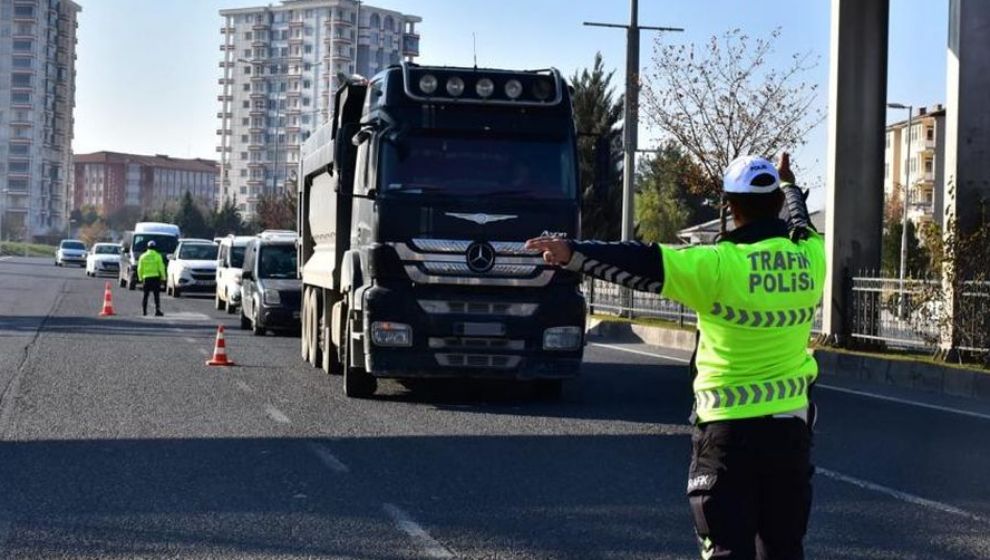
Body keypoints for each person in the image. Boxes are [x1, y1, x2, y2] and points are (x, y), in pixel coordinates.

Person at [526, 153, 825, 560]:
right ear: (774, 201)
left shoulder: (717, 265)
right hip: (790, 436)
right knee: (783, 550)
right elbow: (802, 222)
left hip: (728, 436)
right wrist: (790, 186)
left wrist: (572, 252)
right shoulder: (811, 258)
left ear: (730, 207)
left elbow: (643, 261)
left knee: (727, 551)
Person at [137, 240, 166, 317]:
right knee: (156, 295)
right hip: (155, 278)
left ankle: (144, 311)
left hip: (146, 278)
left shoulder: (142, 256)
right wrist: (163, 277)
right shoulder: (158, 256)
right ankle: (157, 310)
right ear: (155, 247)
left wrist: (140, 278)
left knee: (145, 295)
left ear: (147, 247)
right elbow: (161, 267)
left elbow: (140, 268)